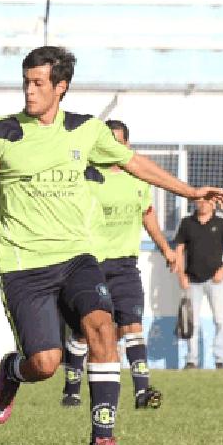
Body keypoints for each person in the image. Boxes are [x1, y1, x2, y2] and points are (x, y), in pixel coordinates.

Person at [0, 46, 223, 445]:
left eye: (39, 84)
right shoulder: (0, 131)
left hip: (77, 256)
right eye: (26, 82)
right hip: (22, 263)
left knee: (104, 329)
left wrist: (190, 191)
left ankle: (103, 438)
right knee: (45, 363)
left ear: (60, 88)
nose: (29, 91)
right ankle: (12, 370)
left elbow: (136, 164)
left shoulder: (86, 130)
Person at [59, 120, 177, 411]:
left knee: (132, 327)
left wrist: (165, 248)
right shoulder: (86, 177)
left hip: (125, 265)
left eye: (117, 143)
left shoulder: (138, 180)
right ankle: (72, 390)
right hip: (92, 263)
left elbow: (147, 215)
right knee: (85, 332)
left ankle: (141, 392)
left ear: (126, 146)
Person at [175, 196, 223, 370]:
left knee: (220, 320)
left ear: (213, 203)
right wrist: (181, 275)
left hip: (215, 280)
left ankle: (221, 359)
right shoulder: (187, 222)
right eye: (199, 201)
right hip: (192, 280)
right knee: (192, 322)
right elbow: (179, 250)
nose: (202, 204)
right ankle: (191, 360)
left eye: (206, 201)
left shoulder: (222, 222)